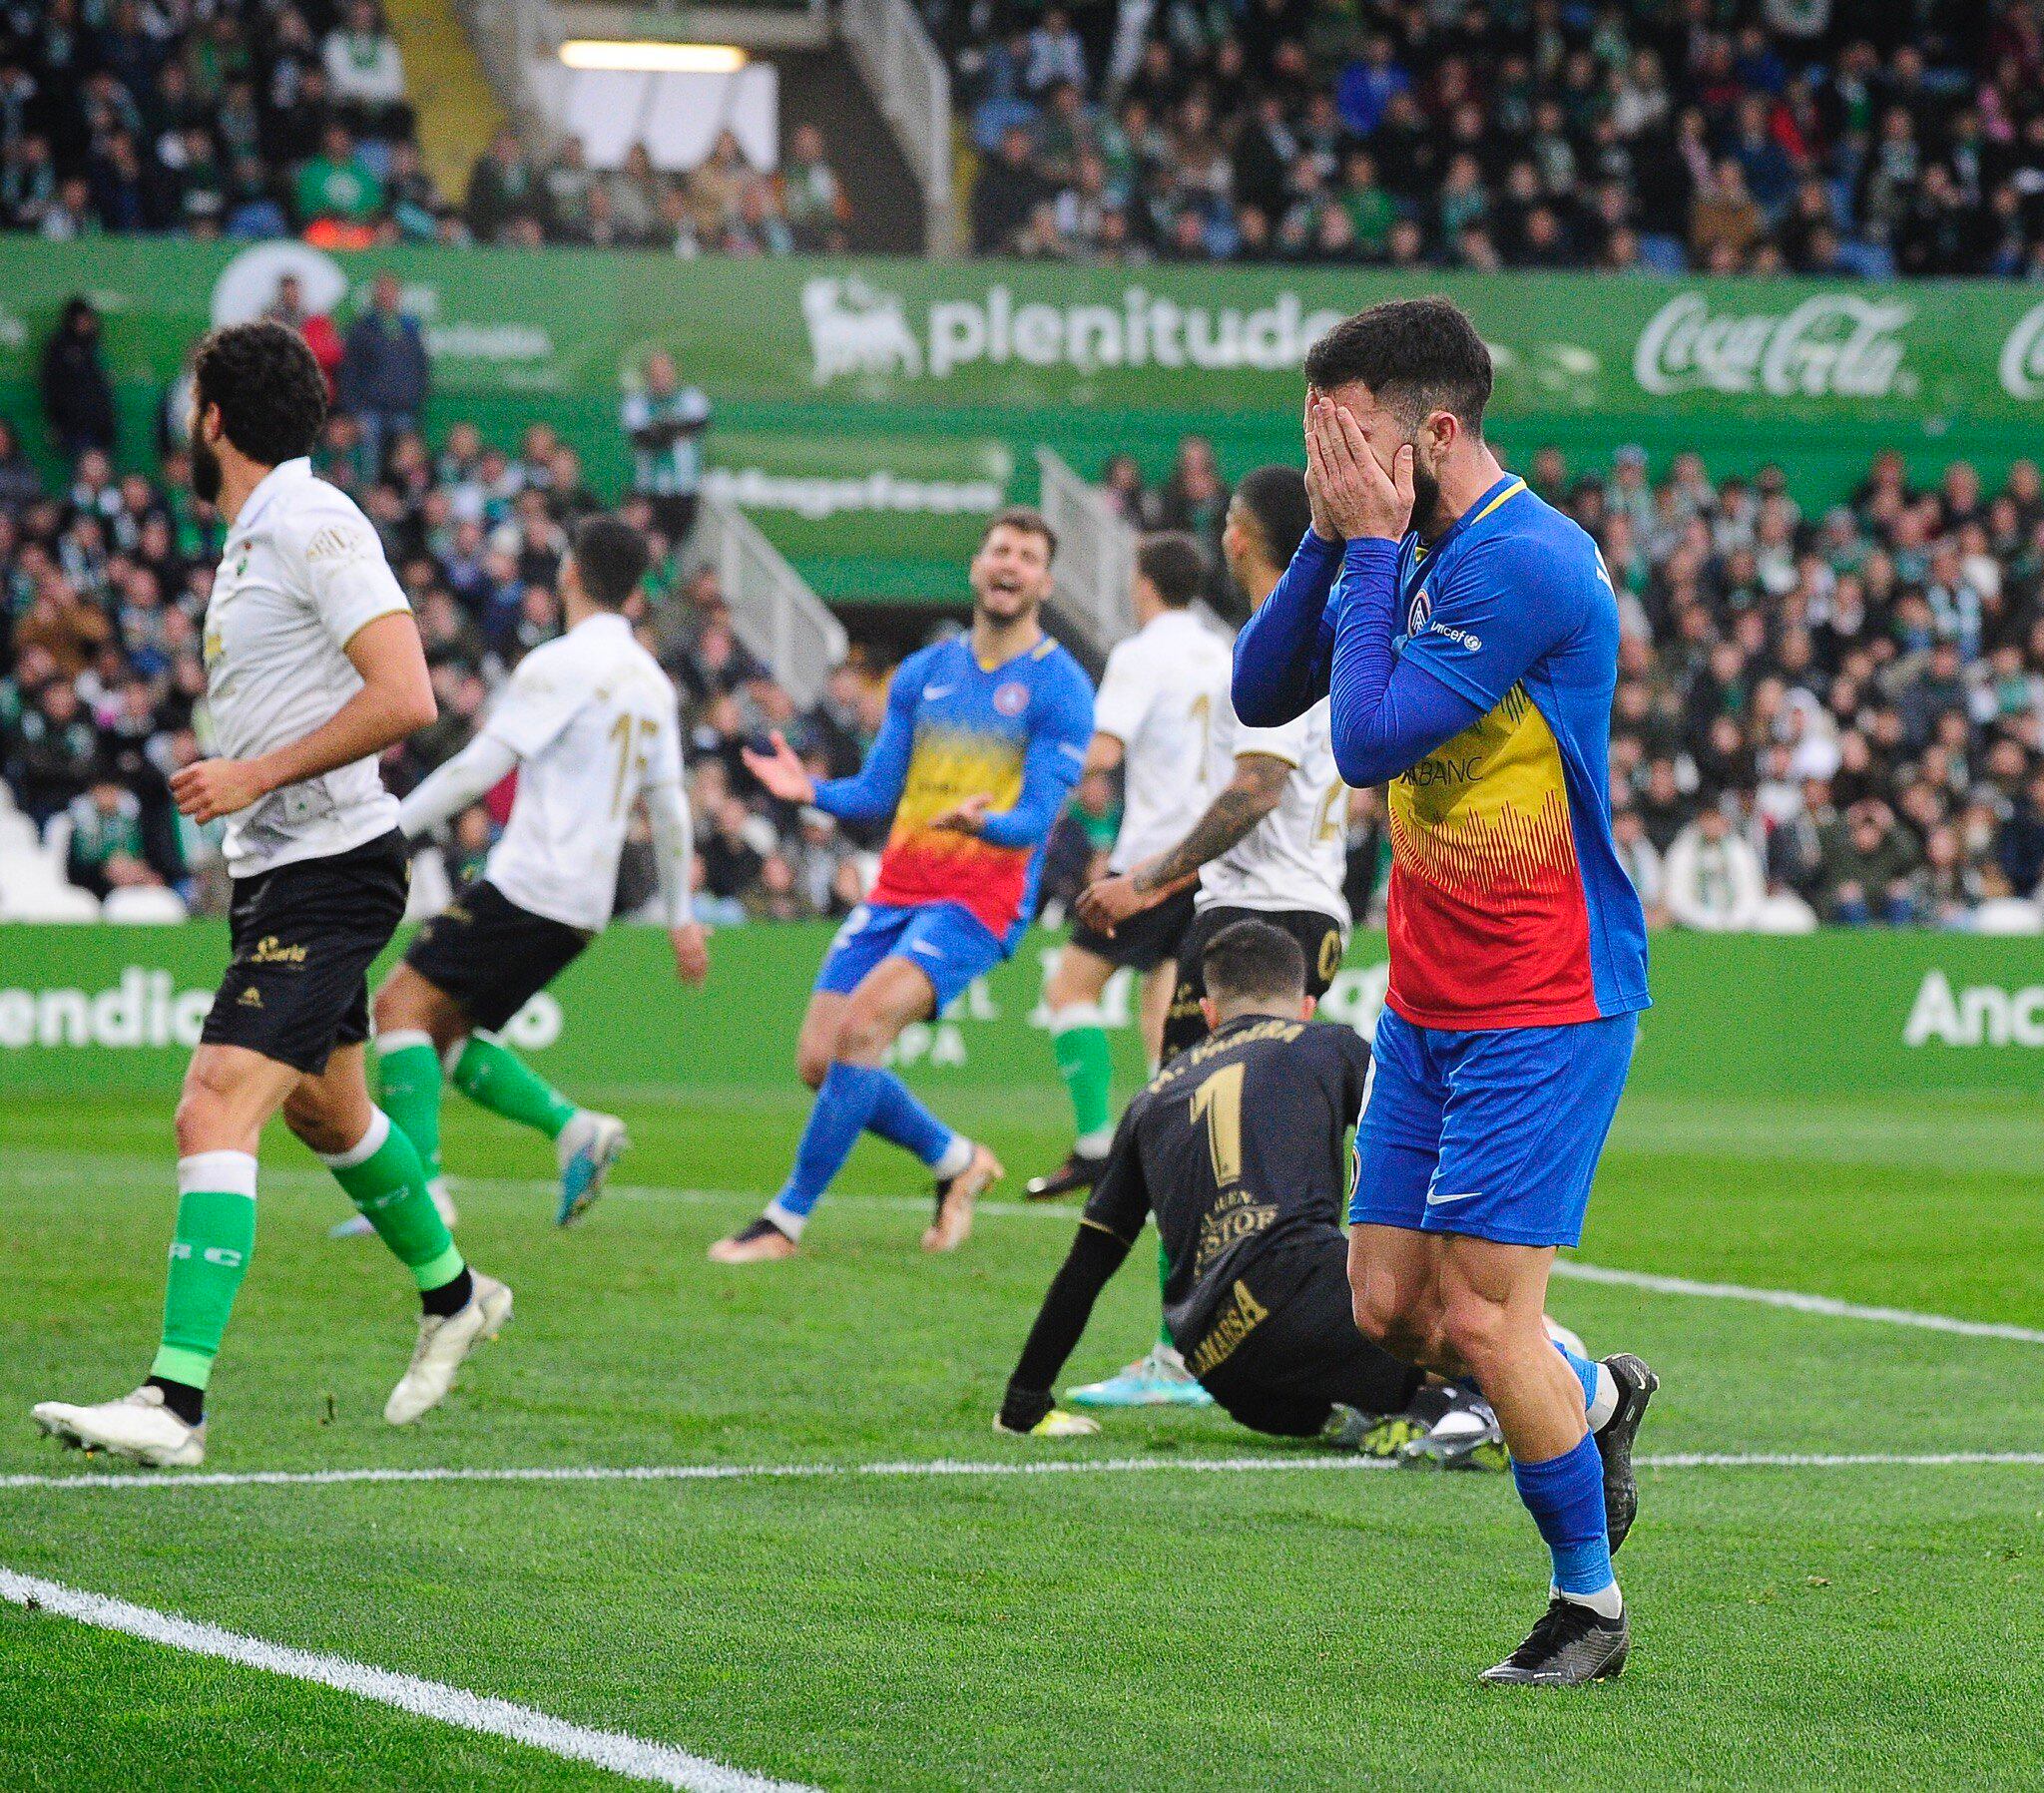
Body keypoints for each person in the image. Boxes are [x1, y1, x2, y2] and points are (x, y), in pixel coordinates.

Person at [1232, 296, 1658, 1685]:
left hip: (1547, 988)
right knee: (1388, 1310)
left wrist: (1363, 544)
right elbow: (1258, 690)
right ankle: (1595, 1398)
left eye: (1350, 439)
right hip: (1429, 992)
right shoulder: (1389, 540)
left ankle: (1586, 1607)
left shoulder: (1526, 562)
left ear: (1437, 430)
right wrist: (1328, 530)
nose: (1330, 462)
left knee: (1481, 1320)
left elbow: (1360, 738)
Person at [31, 321, 501, 1470]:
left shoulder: (310, 518)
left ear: (209, 420)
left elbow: (407, 695)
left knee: (213, 1106)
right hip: (280, 868)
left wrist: (252, 773)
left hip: (330, 871)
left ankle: (175, 1402)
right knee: (329, 1114)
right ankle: (454, 1295)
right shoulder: (255, 535)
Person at [717, 509, 1094, 1261]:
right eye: (999, 550)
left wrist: (979, 824)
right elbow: (875, 793)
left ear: (1044, 582)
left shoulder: (1062, 687)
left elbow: (1033, 823)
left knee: (863, 1031)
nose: (1009, 564)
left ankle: (784, 1221)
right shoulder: (925, 674)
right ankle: (958, 1161)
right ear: (977, 565)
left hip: (978, 900)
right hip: (896, 889)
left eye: (1027, 555)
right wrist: (810, 792)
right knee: (820, 1061)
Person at [1064, 465, 1350, 1409]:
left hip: (1254, 916)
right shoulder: (1345, 639)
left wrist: (1143, 880)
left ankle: (1177, 1350)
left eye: (1230, 521)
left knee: (1184, 1127)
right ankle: (1333, 1344)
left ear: (1239, 534)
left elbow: (1254, 788)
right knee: (1287, 1139)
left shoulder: (1277, 646)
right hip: (1311, 906)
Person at [344, 515, 708, 1241]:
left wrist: (389, 830)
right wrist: (681, 914)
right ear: (637, 592)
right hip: (584, 904)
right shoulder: (651, 682)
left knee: (399, 1009)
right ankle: (572, 1130)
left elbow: (482, 766)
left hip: (529, 882)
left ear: (569, 572)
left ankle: (424, 1196)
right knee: (443, 1033)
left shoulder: (561, 663)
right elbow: (668, 809)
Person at [1000, 920, 1452, 1455]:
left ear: (1209, 1016)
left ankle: (1374, 1408)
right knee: (1514, 1338)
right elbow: (1425, 1147)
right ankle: (1460, 1411)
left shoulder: (1150, 1100)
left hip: (1219, 1362)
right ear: (1307, 1005)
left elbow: (1087, 1264)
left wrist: (1024, 1400)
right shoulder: (1327, 1044)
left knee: (1353, 1347)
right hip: (1307, 1298)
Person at [1028, 531, 1232, 1202]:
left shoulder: (1141, 655)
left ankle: (1093, 1146)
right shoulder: (1224, 650)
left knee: (1069, 989)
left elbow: (1103, 753)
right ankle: (1173, 1160)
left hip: (1151, 861)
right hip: (1211, 854)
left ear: (1143, 582)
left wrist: (1026, 775)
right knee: (1162, 1011)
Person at [336, 271, 429, 479]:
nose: (387, 295)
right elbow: (348, 371)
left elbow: (421, 368)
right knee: (369, 468)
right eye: (382, 290)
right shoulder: (361, 328)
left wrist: (415, 402)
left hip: (404, 410)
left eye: (391, 290)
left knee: (406, 469)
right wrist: (354, 410)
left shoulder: (410, 328)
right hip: (369, 411)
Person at [620, 351, 712, 547]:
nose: (660, 379)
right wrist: (675, 430)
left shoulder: (691, 398)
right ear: (647, 376)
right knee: (648, 546)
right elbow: (644, 437)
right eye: (655, 374)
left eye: (665, 373)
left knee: (678, 548)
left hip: (684, 492)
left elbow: (699, 424)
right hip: (649, 492)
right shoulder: (637, 403)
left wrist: (663, 430)